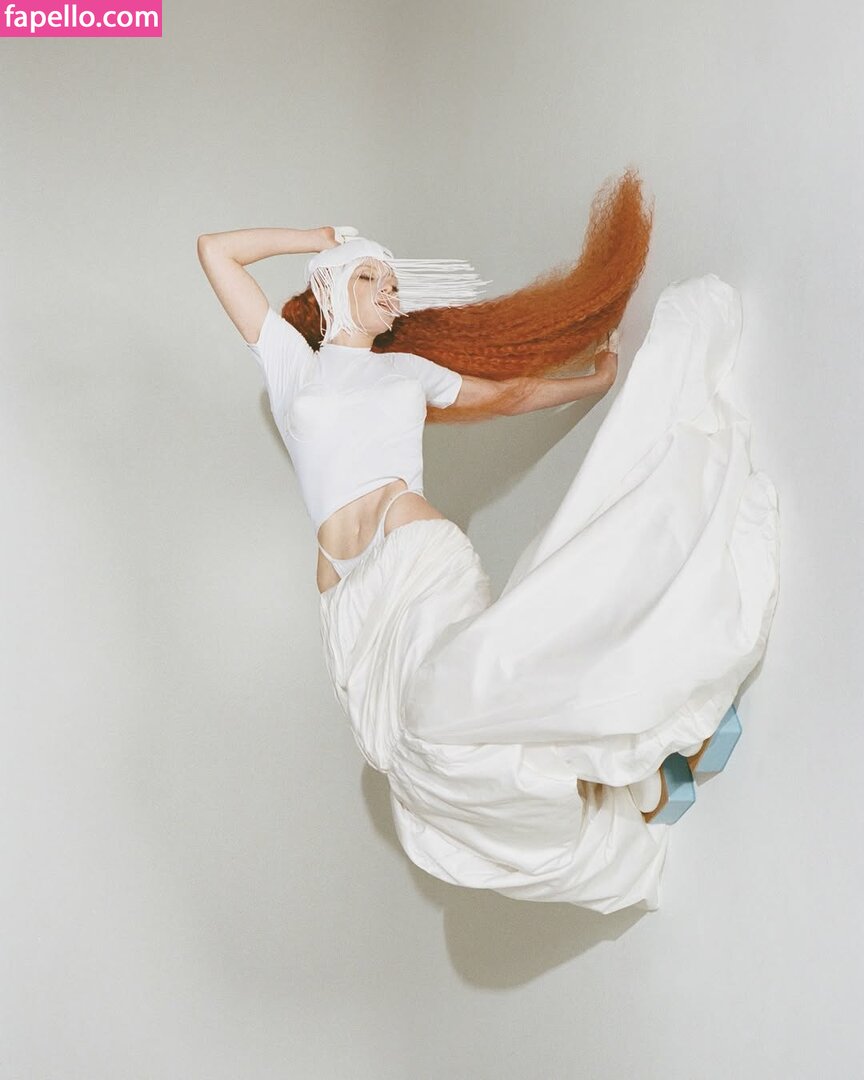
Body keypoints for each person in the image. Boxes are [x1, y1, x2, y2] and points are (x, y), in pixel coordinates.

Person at [197, 172, 780, 913]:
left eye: (392, 282)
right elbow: (215, 251)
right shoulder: (293, 369)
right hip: (347, 598)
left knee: (450, 717)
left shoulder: (406, 370)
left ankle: (639, 726)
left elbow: (509, 397)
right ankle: (611, 770)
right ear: (330, 286)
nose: (388, 290)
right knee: (417, 767)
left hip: (412, 559)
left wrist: (592, 381)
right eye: (371, 276)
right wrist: (317, 237)